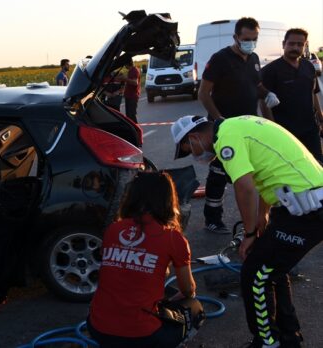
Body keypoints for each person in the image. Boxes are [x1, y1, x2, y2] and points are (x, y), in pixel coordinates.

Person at [172, 115, 323, 348]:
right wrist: (263, 215)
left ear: (194, 137)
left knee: (254, 274)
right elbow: (264, 174)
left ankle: (266, 342)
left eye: (188, 148)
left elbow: (245, 187)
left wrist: (249, 234)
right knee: (272, 269)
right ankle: (288, 336)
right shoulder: (236, 126)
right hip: (298, 206)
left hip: (308, 211)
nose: (194, 155)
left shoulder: (226, 139)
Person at [88, 171, 204, 348]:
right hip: (143, 335)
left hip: (98, 328)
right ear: (167, 199)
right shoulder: (173, 238)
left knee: (167, 291)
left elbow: (121, 273)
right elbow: (188, 290)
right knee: (195, 309)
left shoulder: (114, 229)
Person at [196, 17, 279, 234]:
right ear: (235, 37)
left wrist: (267, 94)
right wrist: (219, 119)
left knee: (249, 172)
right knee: (219, 173)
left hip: (248, 128)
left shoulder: (254, 58)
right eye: (246, 39)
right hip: (224, 126)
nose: (250, 43)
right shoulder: (220, 59)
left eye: (254, 39)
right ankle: (212, 219)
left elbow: (256, 84)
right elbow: (203, 93)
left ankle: (257, 219)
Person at [260, 28, 323, 161]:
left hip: (311, 129)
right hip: (285, 131)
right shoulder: (270, 71)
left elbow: (313, 92)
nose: (295, 47)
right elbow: (264, 102)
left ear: (305, 46)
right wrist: (273, 129)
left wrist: (320, 117)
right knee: (292, 169)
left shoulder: (308, 67)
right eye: (291, 43)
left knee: (317, 166)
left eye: (300, 44)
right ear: (284, 44)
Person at [123, 57, 141, 123]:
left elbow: (135, 82)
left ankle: (136, 130)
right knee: (128, 116)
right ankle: (132, 130)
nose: (124, 66)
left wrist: (125, 79)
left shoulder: (134, 70)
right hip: (128, 96)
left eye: (125, 64)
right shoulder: (130, 71)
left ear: (127, 64)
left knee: (132, 115)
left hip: (132, 96)